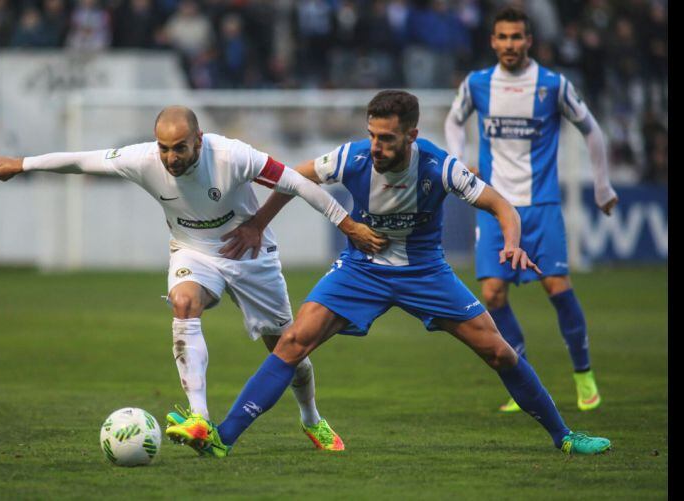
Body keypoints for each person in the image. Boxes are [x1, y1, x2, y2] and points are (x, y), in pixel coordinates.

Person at [165, 91, 612, 457]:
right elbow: (291, 179)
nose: (376, 147)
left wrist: (512, 242)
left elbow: (501, 206)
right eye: (372, 135)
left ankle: (565, 436)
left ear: (412, 136)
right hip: (361, 271)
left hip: (425, 272)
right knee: (293, 341)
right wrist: (258, 223)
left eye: (387, 139)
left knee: (499, 352)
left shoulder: (440, 167)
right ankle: (222, 437)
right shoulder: (353, 158)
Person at [0, 105, 386, 452]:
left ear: (199, 139)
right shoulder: (141, 160)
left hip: (249, 256)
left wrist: (346, 224)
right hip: (193, 252)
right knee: (183, 303)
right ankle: (199, 417)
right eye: (163, 148)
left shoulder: (233, 155)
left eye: (180, 147)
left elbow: (296, 182)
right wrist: (22, 165)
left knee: (286, 348)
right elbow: (82, 159)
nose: (171, 158)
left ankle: (310, 416)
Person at [444, 7, 618, 413]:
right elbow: (453, 122)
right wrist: (458, 158)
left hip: (541, 205)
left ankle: (583, 374)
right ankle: (523, 379)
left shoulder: (552, 85)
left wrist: (603, 186)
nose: (509, 44)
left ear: (529, 41)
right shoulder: (478, 84)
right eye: (502, 37)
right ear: (492, 41)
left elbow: (591, 129)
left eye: (516, 37)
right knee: (492, 293)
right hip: (494, 206)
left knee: (557, 287)